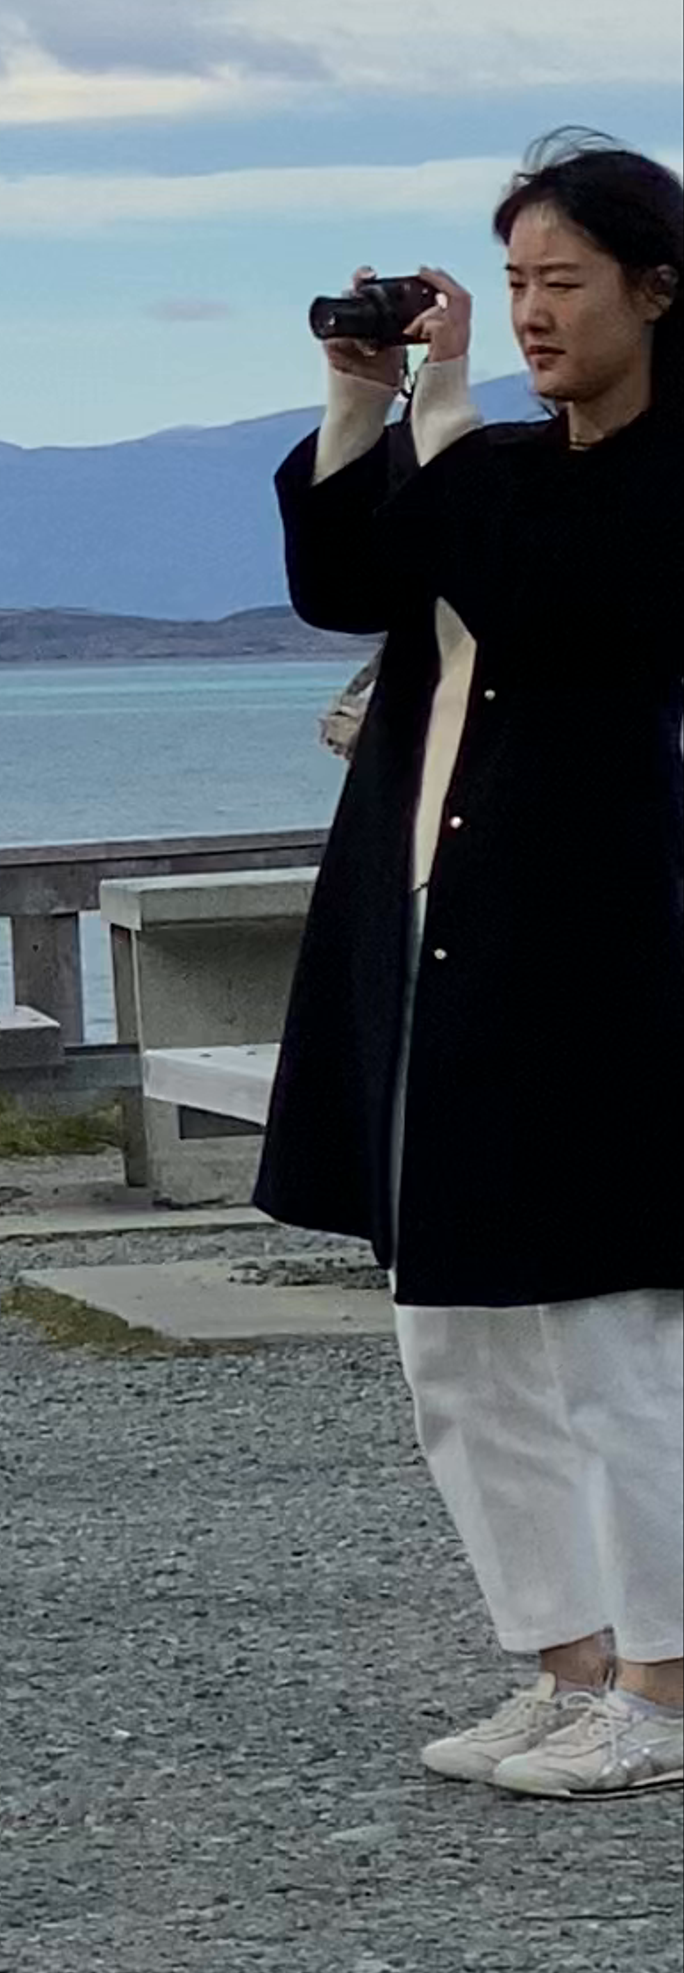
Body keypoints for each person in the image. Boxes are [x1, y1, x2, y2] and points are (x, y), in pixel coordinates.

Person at [259, 134, 684, 1798]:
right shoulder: (492, 462)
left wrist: (439, 419)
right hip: (435, 936)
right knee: (455, 1335)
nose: (528, 314)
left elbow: (550, 597)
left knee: (614, 1334)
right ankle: (567, 1667)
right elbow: (342, 578)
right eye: (511, 282)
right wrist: (362, 398)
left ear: (659, 289)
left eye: (563, 280)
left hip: (605, 950)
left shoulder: (654, 479)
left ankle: (665, 1687)